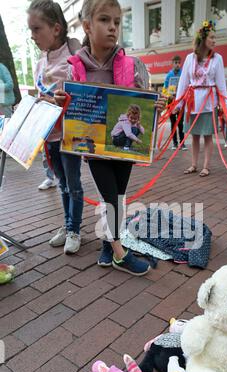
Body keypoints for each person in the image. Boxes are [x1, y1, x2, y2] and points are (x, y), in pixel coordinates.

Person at [54, 0, 166, 276]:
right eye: (105, 20)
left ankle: (108, 243)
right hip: (95, 148)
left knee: (116, 197)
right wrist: (61, 103)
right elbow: (67, 111)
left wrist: (155, 107)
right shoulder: (75, 69)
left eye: (117, 21)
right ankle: (119, 253)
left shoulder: (132, 64)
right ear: (88, 26)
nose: (113, 27)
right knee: (112, 197)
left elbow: (143, 106)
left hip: (124, 151)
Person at [27, 0, 83, 254]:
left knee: (73, 183)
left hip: (70, 135)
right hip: (50, 135)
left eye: (37, 29)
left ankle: (75, 230)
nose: (33, 36)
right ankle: (67, 223)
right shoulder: (40, 63)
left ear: (56, 29)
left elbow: (83, 97)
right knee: (61, 183)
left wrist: (57, 100)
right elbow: (42, 95)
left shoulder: (75, 60)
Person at [174, 20, 227, 177]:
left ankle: (206, 166)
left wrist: (223, 106)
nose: (214, 41)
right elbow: (183, 83)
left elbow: (221, 85)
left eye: (215, 37)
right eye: (212, 37)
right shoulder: (190, 58)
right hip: (192, 104)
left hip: (209, 104)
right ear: (203, 39)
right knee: (195, 136)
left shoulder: (217, 59)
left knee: (208, 135)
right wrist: (178, 103)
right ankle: (193, 164)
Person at [162, 56, 187, 151]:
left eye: (178, 62)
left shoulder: (183, 74)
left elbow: (186, 87)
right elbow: (164, 89)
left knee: (181, 123)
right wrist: (169, 95)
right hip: (171, 102)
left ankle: (182, 143)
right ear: (172, 63)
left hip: (180, 102)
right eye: (175, 62)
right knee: (173, 123)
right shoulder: (169, 75)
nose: (177, 64)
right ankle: (174, 143)